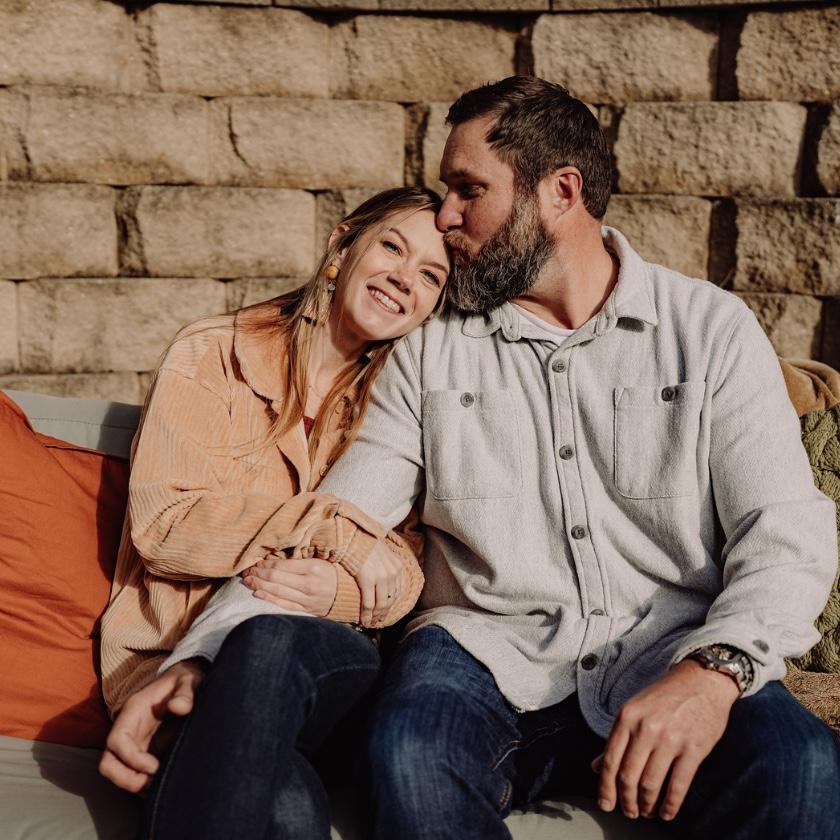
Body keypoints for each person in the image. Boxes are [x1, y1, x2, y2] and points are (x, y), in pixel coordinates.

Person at [105, 75, 840, 839]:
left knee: (801, 765)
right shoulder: (430, 351)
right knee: (412, 751)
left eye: (467, 190)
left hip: (670, 649)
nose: (446, 217)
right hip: (481, 656)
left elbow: (783, 530)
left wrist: (713, 672)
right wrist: (204, 663)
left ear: (561, 191)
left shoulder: (711, 329)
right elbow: (337, 525)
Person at [97, 186, 450, 839]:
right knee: (288, 813)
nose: (405, 277)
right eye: (393, 247)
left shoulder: (405, 399)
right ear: (341, 245)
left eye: (431, 274)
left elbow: (405, 570)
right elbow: (163, 528)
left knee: (272, 637)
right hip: (172, 665)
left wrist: (339, 589)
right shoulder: (215, 353)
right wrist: (322, 526)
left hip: (327, 683)